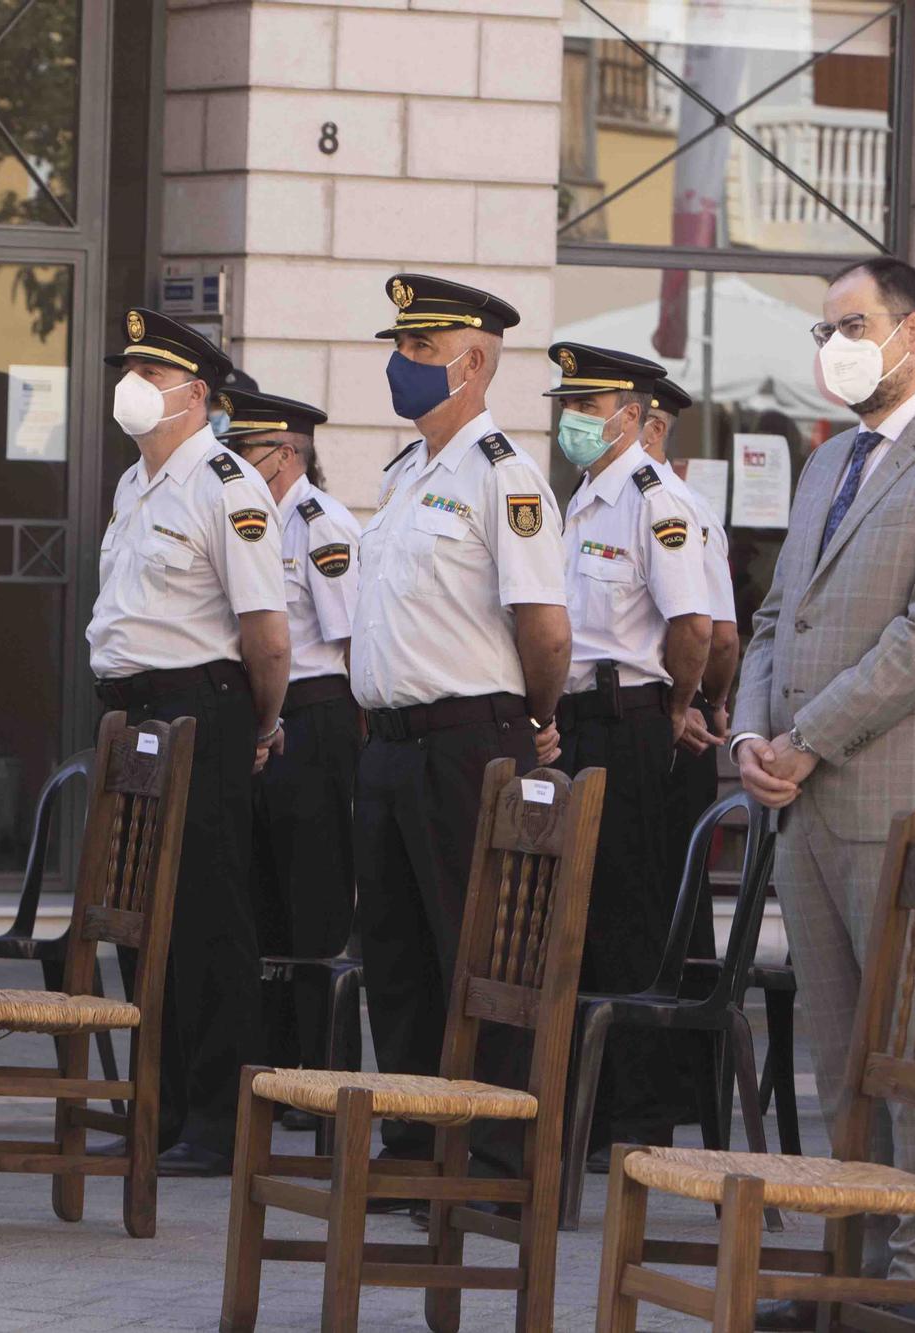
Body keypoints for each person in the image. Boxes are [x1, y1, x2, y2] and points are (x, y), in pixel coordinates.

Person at [731, 257, 915, 1317]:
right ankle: (843, 1266)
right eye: (820, 330)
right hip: (806, 803)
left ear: (911, 332)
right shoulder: (828, 462)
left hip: (911, 806)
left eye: (849, 325)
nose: (831, 347)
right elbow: (773, 619)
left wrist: (806, 736)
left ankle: (907, 1283)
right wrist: (753, 733)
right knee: (836, 1052)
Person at [351, 274, 569, 1181]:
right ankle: (413, 1143)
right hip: (392, 746)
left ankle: (490, 1152)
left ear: (472, 363)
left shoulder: (503, 478)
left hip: (469, 745)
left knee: (480, 952)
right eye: (398, 348)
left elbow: (545, 626)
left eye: (420, 351)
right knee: (398, 957)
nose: (400, 366)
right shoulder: (406, 474)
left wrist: (539, 717)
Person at [89, 307, 290, 1176]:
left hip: (202, 707)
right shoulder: (134, 483)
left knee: (209, 918)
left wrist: (261, 722)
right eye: (126, 369)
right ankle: (157, 1105)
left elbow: (267, 635)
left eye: (149, 372)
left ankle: (219, 1118)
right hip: (132, 715)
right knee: (141, 918)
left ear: (196, 394)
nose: (129, 386)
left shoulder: (227, 485)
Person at [547, 343, 713, 1166]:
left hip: (631, 720)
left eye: (591, 403)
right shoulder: (579, 498)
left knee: (631, 922)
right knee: (575, 922)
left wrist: (677, 706)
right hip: (576, 723)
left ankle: (636, 1120)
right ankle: (588, 1106)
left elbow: (695, 627)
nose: (575, 418)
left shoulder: (656, 499)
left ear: (633, 412)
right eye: (569, 403)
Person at [218, 387, 362, 1103]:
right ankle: (273, 1070)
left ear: (282, 456)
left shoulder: (319, 524)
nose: (229, 462)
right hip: (259, 717)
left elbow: (349, 643)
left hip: (312, 716)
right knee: (261, 899)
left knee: (314, 905)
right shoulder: (246, 520)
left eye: (241, 451)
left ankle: (324, 1075)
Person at [642, 377, 738, 897]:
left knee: (671, 882)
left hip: (671, 705)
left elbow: (719, 636)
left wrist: (710, 701)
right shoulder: (598, 496)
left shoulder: (680, 508)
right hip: (655, 707)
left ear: (654, 429)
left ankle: (688, 980)